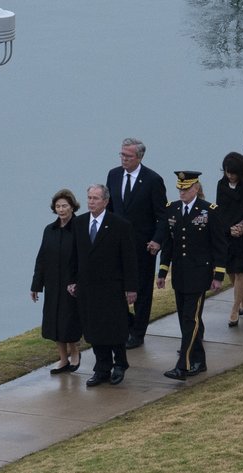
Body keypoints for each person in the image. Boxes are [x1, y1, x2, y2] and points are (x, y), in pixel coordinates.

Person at [155, 171, 226, 380]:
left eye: (185, 189)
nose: (182, 192)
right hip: (180, 274)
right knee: (185, 319)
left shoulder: (208, 211)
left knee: (190, 320)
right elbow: (169, 243)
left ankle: (183, 365)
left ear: (195, 188)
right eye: (180, 189)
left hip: (199, 274)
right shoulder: (173, 209)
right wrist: (162, 271)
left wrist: (218, 275)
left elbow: (219, 245)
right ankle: (199, 360)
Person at [68, 184, 138, 387]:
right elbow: (74, 256)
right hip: (88, 288)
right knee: (94, 329)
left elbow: (129, 259)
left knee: (114, 329)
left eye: (96, 198)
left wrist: (131, 287)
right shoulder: (79, 223)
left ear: (106, 201)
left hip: (112, 287)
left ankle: (120, 364)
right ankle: (102, 368)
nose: (91, 202)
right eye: (89, 198)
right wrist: (72, 281)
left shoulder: (119, 225)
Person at [105, 139, 167, 350]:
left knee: (141, 290)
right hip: (117, 245)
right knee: (115, 287)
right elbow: (110, 210)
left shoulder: (152, 180)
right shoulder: (113, 175)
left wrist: (158, 240)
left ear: (139, 157)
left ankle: (138, 332)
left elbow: (162, 216)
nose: (123, 159)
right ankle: (127, 324)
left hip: (143, 245)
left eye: (128, 156)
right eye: (121, 155)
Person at [30, 188, 82, 374]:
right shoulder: (49, 230)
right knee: (54, 321)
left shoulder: (79, 227)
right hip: (53, 283)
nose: (61, 209)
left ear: (72, 207)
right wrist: (36, 285)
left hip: (71, 283)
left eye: (65, 206)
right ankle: (62, 358)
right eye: (58, 206)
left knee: (70, 320)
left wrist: (78, 281)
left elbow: (83, 257)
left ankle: (75, 351)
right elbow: (41, 258)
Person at [215, 153, 243, 328]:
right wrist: (228, 228)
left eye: (233, 173)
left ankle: (234, 309)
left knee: (240, 271)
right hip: (227, 234)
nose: (230, 175)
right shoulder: (221, 184)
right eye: (227, 172)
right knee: (230, 271)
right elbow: (220, 210)